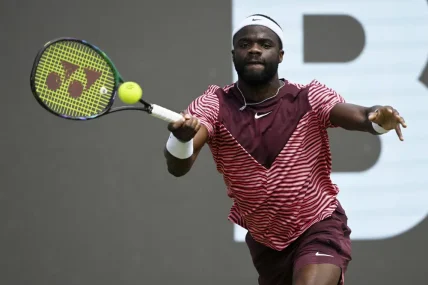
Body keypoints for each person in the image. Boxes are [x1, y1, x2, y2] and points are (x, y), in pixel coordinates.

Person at [162, 14, 407, 285]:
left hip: (319, 223)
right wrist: (181, 140)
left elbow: (361, 116)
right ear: (234, 54)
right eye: (245, 44)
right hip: (266, 243)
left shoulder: (308, 96)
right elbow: (177, 167)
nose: (254, 49)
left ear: (280, 55)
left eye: (264, 44)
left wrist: (378, 120)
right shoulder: (213, 104)